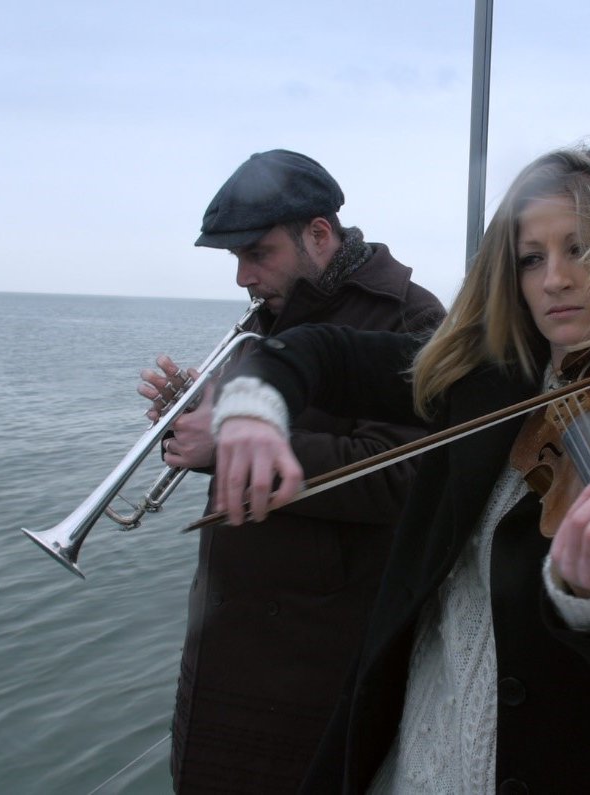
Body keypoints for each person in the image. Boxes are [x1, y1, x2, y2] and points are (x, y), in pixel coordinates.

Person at [207, 146, 590, 793]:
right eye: (531, 258)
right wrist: (251, 410)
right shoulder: (480, 378)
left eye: (580, 250)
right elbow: (320, 351)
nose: (554, 279)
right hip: (418, 740)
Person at [138, 149, 445, 793]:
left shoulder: (412, 318)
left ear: (319, 235)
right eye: (236, 259)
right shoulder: (261, 326)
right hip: (223, 647)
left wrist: (226, 445)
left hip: (320, 658)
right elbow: (247, 461)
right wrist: (193, 426)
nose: (243, 276)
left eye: (258, 253)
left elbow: (403, 480)